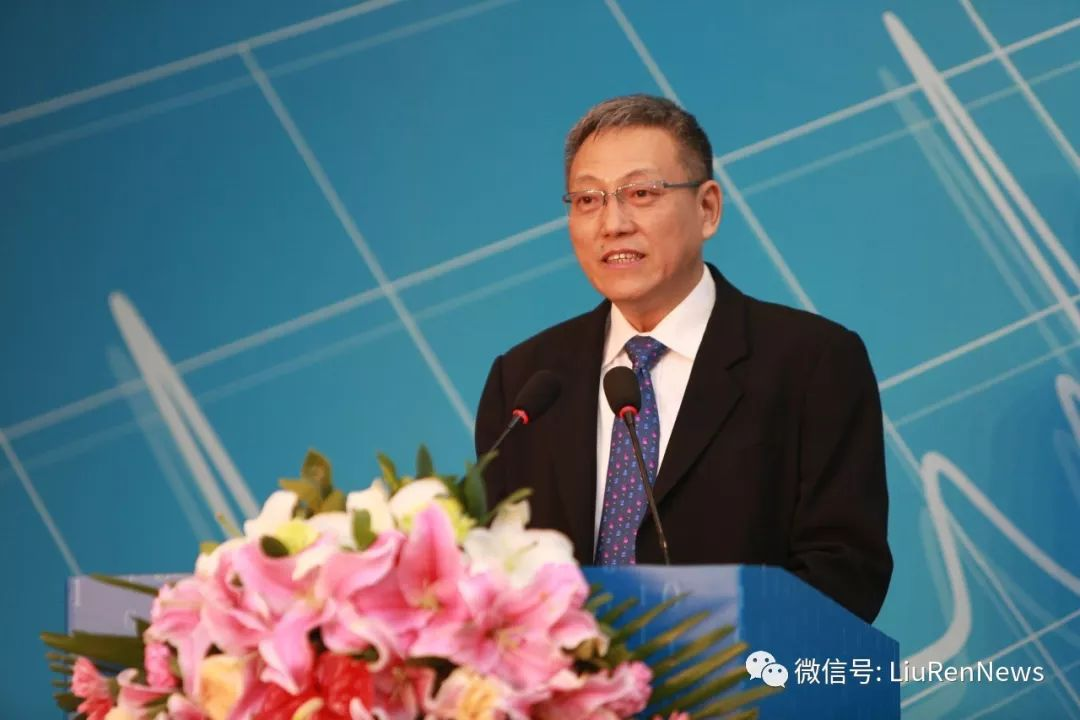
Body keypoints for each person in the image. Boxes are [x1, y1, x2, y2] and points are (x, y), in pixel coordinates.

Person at [474, 94, 892, 623]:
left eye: (641, 193)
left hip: (741, 672)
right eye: (588, 199)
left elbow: (846, 571)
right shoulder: (525, 380)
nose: (613, 223)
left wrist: (692, 642)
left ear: (707, 208)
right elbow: (495, 570)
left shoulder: (811, 363)